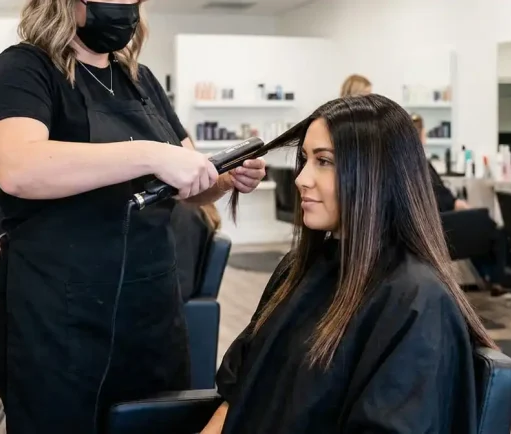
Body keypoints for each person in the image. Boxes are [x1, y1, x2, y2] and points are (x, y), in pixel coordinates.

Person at [0, 0, 268, 431]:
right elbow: (19, 169)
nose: (125, 7)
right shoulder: (24, 69)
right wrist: (148, 153)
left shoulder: (141, 81)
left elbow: (190, 185)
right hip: (58, 317)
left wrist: (225, 177)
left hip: (150, 315)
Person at [201, 94, 495, 434]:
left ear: (375, 174)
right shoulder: (296, 269)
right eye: (305, 159)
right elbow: (237, 390)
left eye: (323, 161)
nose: (301, 178)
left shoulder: (416, 302)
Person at [0, 203, 225, 433]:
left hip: (130, 339)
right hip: (107, 324)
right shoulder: (161, 208)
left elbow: (169, 288)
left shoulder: (177, 213)